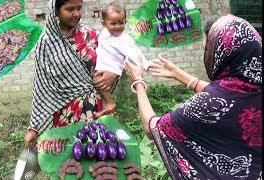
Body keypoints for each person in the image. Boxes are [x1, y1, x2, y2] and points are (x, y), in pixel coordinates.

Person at [125, 14, 262, 179]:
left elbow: (153, 127)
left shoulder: (209, 102)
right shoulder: (250, 85)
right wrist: (178, 74)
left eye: (207, 49)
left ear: (220, 53)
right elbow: (232, 95)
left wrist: (138, 81)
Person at [24, 0, 119, 150]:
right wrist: (33, 127)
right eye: (69, 9)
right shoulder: (46, 43)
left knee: (101, 159)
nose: (77, 13)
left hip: (99, 109)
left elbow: (118, 55)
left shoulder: (90, 34)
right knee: (71, 160)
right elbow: (41, 87)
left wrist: (113, 72)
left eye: (79, 8)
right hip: (66, 115)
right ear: (55, 11)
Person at [93, 3, 152, 118]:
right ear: (104, 24)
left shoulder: (124, 39)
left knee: (97, 80)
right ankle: (107, 106)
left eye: (121, 22)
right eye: (113, 23)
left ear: (125, 22)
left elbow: (135, 52)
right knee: (99, 84)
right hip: (103, 65)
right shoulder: (103, 33)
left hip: (113, 67)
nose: (117, 26)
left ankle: (109, 103)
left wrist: (145, 64)